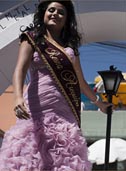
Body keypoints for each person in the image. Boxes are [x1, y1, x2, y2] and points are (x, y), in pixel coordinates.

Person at [0, 1, 111, 170]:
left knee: (63, 158)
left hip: (64, 112)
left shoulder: (70, 49)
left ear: (66, 19)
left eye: (61, 12)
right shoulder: (32, 38)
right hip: (38, 108)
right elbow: (20, 69)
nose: (55, 14)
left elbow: (80, 81)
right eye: (51, 10)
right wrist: (17, 98)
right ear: (43, 13)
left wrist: (99, 103)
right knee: (31, 157)